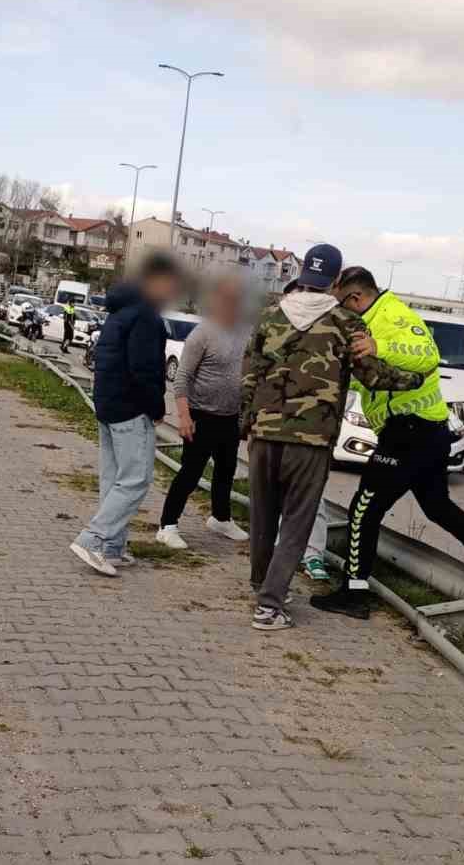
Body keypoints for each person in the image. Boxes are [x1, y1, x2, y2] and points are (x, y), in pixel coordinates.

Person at [313, 266, 464, 621]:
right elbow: (372, 380)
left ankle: (354, 593)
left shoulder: (392, 316)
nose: (341, 312)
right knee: (438, 507)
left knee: (363, 512)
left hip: (409, 432)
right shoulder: (373, 316)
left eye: (342, 304)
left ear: (355, 297)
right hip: (425, 433)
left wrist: (378, 344)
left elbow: (426, 355)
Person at [241, 245, 425, 631]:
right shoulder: (346, 322)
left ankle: (262, 583)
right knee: (296, 522)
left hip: (264, 434)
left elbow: (249, 373)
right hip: (311, 439)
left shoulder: (269, 315)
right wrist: (415, 378)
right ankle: (270, 606)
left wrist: (246, 424)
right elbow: (372, 375)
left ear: (304, 271)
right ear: (336, 281)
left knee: (262, 514)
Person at [69, 251, 184, 577]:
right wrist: (157, 408)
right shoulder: (145, 317)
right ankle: (91, 539)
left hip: (108, 405)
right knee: (135, 480)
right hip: (132, 410)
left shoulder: (120, 312)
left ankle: (112, 546)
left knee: (114, 479)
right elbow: (145, 369)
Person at [156, 271, 249, 551]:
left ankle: (220, 518)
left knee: (226, 470)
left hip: (230, 417)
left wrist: (244, 417)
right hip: (200, 415)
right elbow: (181, 377)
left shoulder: (246, 332)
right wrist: (184, 416)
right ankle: (167, 525)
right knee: (191, 472)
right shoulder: (203, 333)